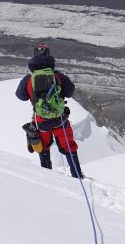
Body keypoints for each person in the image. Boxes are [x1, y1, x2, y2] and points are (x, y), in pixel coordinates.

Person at [15, 42, 84, 178]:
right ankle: (77, 175)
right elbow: (70, 91)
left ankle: (48, 178)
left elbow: (20, 96)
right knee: (68, 145)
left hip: (41, 122)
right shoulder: (58, 76)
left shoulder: (29, 79)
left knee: (43, 148)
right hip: (60, 120)